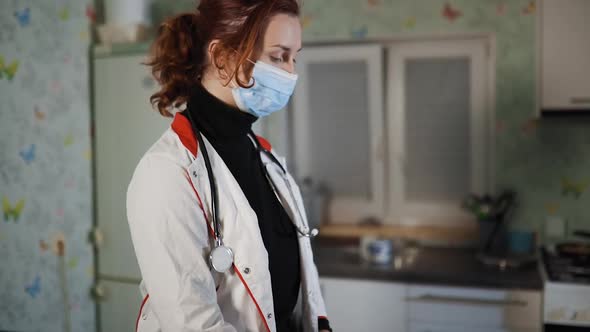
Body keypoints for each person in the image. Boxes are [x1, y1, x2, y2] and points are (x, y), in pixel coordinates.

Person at [126, 0, 332, 331]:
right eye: (278, 56)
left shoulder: (266, 158)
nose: (291, 73)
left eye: (295, 57)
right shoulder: (165, 174)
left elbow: (302, 291)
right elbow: (194, 324)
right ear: (222, 57)